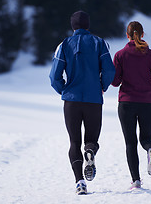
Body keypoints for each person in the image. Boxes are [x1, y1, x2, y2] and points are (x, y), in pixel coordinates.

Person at [49, 10, 116, 195]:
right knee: (91, 140)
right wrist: (102, 86)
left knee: (73, 142)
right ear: (88, 25)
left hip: (71, 102)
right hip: (94, 100)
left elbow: (54, 76)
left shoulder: (64, 45)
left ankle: (80, 182)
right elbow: (110, 71)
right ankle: (90, 151)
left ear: (72, 26)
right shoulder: (99, 43)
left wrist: (64, 90)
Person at [111, 21, 151, 190]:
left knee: (130, 143)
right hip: (147, 103)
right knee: (146, 138)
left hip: (126, 103)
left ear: (127, 35)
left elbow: (115, 81)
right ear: (142, 34)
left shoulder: (120, 55)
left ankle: (136, 181)